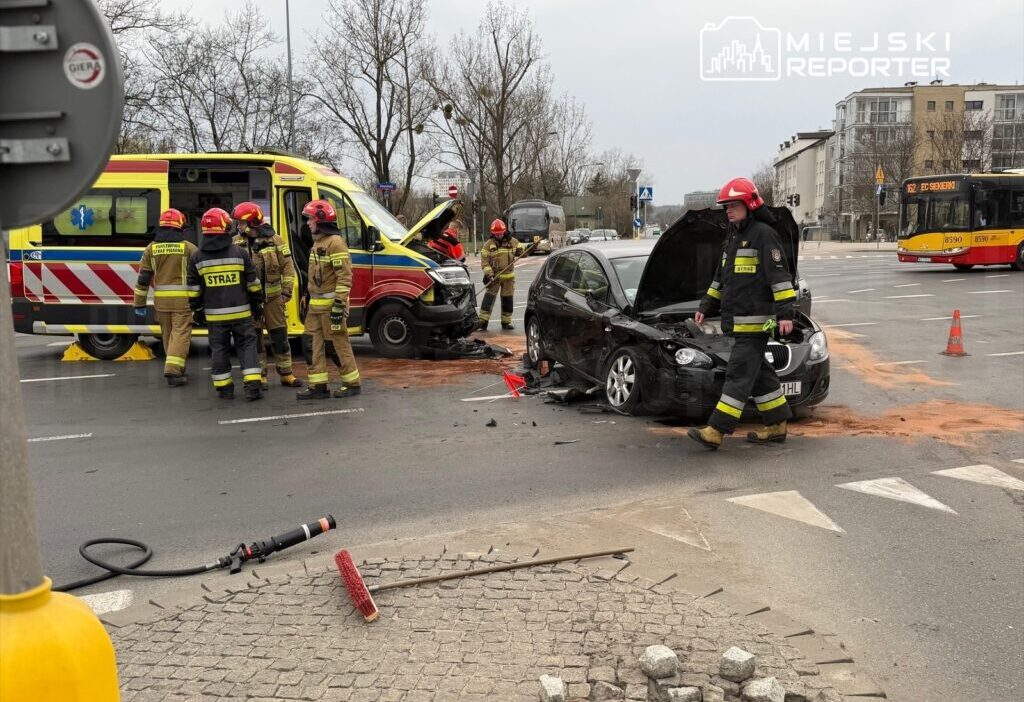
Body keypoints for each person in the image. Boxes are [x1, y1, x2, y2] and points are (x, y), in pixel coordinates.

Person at [688, 177, 797, 450]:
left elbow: (780, 279)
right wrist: (705, 307)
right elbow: (720, 280)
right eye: (726, 206)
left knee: (737, 374)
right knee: (759, 373)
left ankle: (716, 430)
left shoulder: (764, 235)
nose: (728, 210)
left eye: (733, 205)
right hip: (738, 322)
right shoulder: (733, 238)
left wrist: (786, 315)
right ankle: (777, 425)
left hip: (757, 323)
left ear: (749, 204)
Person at [186, 207, 264, 401]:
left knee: (219, 350)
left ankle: (224, 389)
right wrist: (257, 304)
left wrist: (197, 310)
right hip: (241, 314)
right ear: (225, 227)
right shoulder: (240, 253)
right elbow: (253, 284)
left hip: (214, 316)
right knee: (247, 347)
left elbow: (193, 290)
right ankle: (253, 388)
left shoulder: (196, 257)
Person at [231, 202, 302, 389]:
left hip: (273, 300)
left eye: (241, 223)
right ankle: (260, 376)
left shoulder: (276, 240)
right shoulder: (236, 243)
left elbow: (288, 268)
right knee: (254, 339)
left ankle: (286, 374)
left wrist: (286, 292)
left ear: (253, 222)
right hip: (250, 301)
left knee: (279, 337)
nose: (238, 226)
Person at [296, 199, 362, 400]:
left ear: (321, 220)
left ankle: (351, 383)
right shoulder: (318, 243)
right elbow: (316, 275)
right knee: (311, 345)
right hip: (315, 307)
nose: (307, 223)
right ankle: (318, 386)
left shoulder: (335, 243)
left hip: (331, 307)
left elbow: (344, 277)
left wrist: (339, 305)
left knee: (338, 345)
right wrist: (307, 296)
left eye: (310, 220)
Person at [133, 209, 198, 386]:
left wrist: (138, 304)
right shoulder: (189, 248)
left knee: (168, 335)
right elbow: (200, 273)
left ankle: (176, 366)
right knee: (180, 334)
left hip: (161, 302)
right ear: (180, 227)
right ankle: (173, 370)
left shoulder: (150, 248)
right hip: (182, 301)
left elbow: (144, 278)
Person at [478, 218, 524, 330]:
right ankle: (483, 323)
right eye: (496, 234)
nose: (498, 236)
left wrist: (526, 249)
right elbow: (485, 263)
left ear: (504, 231)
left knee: (507, 300)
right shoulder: (488, 245)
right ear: (492, 233)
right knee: (488, 300)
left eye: (500, 233)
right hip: (494, 277)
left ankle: (506, 322)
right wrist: (490, 274)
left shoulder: (513, 241)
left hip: (509, 278)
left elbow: (522, 251)